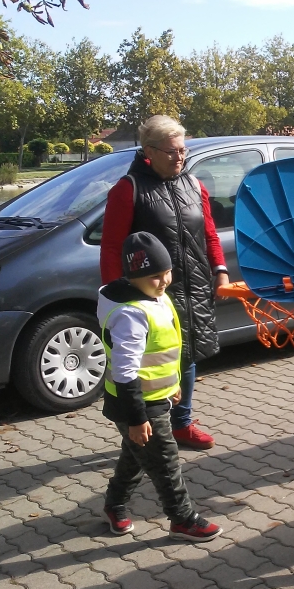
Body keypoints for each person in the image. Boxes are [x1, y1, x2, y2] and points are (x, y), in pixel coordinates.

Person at [101, 115, 229, 450]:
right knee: (147, 360)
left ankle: (181, 423)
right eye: (171, 151)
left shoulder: (194, 185)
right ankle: (142, 424)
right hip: (151, 291)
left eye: (183, 150)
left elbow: (210, 234)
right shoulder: (127, 189)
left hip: (194, 285)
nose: (179, 157)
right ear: (149, 151)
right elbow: (112, 247)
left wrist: (220, 270)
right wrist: (116, 295)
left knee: (187, 353)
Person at [98, 232, 221, 542]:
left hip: (155, 397)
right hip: (137, 404)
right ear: (133, 277)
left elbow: (164, 350)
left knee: (136, 457)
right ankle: (182, 519)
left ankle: (114, 504)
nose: (164, 280)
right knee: (164, 461)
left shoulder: (155, 297)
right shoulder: (130, 314)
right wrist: (137, 419)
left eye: (167, 271)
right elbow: (126, 372)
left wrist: (173, 385)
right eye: (155, 276)